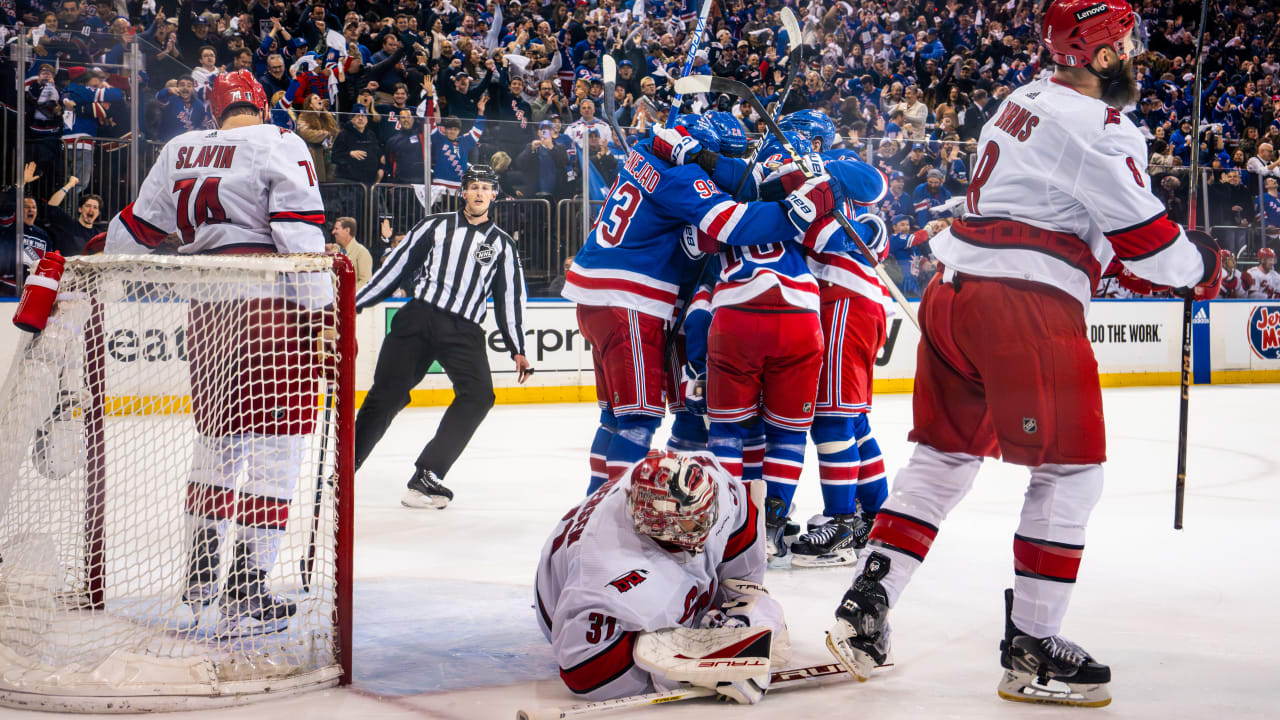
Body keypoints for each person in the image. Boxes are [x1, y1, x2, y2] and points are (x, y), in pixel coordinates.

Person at [826, 0, 1221, 708]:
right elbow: (1156, 249)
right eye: (1126, 43)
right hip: (1021, 308)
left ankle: (864, 606)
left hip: (955, 294)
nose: (1137, 54)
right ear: (1098, 56)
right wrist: (1202, 267)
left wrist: (1129, 262)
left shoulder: (1024, 97)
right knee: (1071, 475)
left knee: (943, 463)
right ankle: (1033, 648)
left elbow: (1060, 218)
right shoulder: (1099, 129)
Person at [104, 70, 330, 635]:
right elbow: (298, 236)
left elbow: (133, 231)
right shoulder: (281, 141)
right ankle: (247, 589)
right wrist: (323, 316)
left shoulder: (181, 148)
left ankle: (199, 581)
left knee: (219, 447)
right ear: (262, 104)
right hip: (270, 309)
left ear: (213, 111)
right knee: (275, 452)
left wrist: (100, 278)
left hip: (205, 311)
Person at [561, 115, 846, 495]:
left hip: (597, 293)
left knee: (614, 417)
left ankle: (593, 504)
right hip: (631, 298)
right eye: (719, 155)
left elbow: (692, 223)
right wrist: (801, 208)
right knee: (637, 420)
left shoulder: (646, 151)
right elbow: (733, 224)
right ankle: (612, 520)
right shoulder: (681, 178)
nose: (720, 164)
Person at [535, 450, 788, 705]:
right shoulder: (604, 568)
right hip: (560, 598)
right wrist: (687, 671)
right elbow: (583, 671)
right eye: (694, 521)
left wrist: (741, 606)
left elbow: (739, 518)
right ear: (656, 524)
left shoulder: (705, 480)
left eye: (706, 508)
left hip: (626, 546)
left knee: (761, 611)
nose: (707, 520)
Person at [352, 165, 531, 509]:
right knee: (386, 396)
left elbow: (508, 298)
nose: (479, 193)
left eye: (485, 188)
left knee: (479, 396)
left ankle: (428, 474)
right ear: (462, 191)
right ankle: (342, 469)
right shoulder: (433, 226)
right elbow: (395, 269)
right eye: (473, 186)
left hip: (464, 331)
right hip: (419, 318)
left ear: (495, 195)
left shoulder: (503, 245)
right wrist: (357, 302)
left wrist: (518, 347)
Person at [45, 177, 101, 256]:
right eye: (88, 206)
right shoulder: (68, 224)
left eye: (95, 207)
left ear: (98, 213)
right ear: (80, 209)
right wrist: (69, 185)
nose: (91, 210)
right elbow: (52, 206)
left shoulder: (99, 235)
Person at [329, 216, 372, 289]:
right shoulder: (334, 250)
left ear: (347, 230)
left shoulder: (362, 252)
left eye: (336, 229)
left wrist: (347, 294)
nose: (333, 232)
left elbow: (365, 281)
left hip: (353, 299)